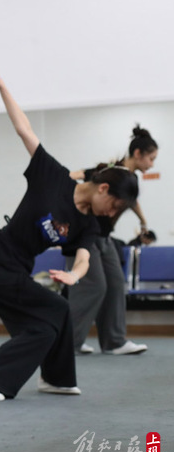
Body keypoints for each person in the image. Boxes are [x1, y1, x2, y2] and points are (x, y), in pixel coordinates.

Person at [0, 56, 139, 402]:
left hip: (16, 270)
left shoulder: (88, 223)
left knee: (43, 323)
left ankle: (57, 378)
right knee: (54, 313)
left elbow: (83, 256)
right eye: (114, 206)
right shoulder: (53, 175)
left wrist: (76, 275)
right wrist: (0, 83)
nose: (112, 214)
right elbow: (24, 128)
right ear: (103, 190)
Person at [67, 125, 158, 355]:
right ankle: (69, 342)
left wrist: (143, 221)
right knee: (93, 286)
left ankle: (114, 341)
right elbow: (74, 176)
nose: (152, 164)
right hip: (86, 236)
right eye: (151, 158)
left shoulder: (129, 180)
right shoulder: (110, 172)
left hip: (104, 237)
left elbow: (131, 201)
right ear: (138, 154)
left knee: (116, 284)